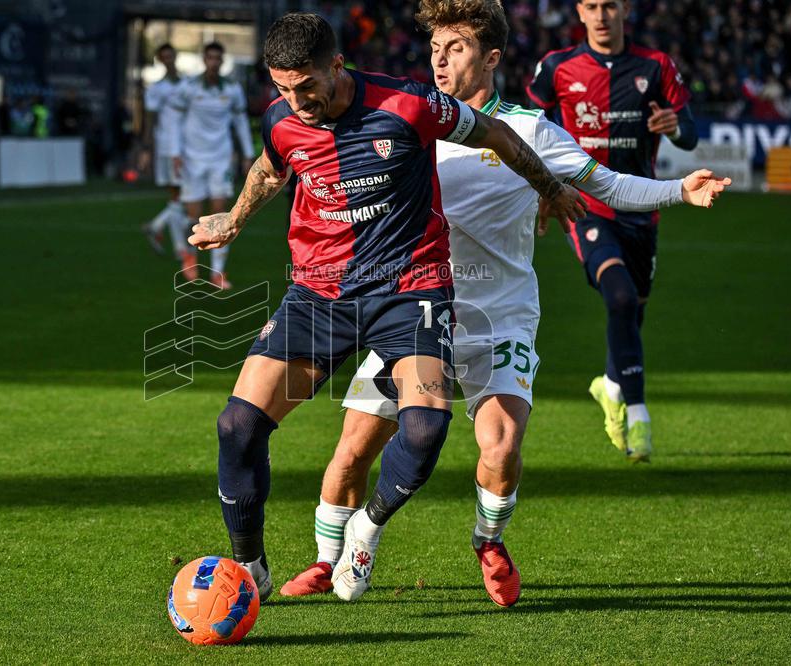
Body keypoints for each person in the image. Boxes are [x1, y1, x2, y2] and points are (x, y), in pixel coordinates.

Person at [277, 0, 729, 606]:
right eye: (434, 48)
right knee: (353, 449)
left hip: (500, 316)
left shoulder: (530, 130)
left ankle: (488, 541)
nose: (439, 60)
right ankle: (325, 559)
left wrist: (680, 188)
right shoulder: (409, 118)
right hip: (414, 315)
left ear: (491, 58)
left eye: (456, 48)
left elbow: (609, 185)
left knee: (502, 445)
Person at [187, 12, 586, 602]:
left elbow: (497, 135)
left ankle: (366, 528)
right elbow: (272, 167)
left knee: (425, 428)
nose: (296, 100)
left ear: (336, 65)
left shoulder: (408, 104)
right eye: (282, 88)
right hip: (320, 293)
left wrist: (551, 188)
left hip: (410, 291)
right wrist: (234, 219)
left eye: (307, 85)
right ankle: (251, 570)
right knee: (237, 425)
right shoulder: (281, 118)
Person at [526, 0, 699, 463]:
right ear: (579, 12)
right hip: (587, 204)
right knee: (619, 298)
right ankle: (638, 414)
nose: (601, 15)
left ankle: (611, 384)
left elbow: (691, 136)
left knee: (632, 314)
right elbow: (526, 131)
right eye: (591, 6)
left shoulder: (655, 66)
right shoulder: (557, 68)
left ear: (624, 9)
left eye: (609, 5)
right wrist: (543, 185)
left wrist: (676, 126)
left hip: (642, 208)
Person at [166, 42, 254, 289]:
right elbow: (175, 119)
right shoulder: (189, 87)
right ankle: (190, 256)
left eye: (217, 58)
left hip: (220, 159)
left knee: (220, 214)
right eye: (210, 58)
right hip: (193, 159)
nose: (213, 62)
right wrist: (175, 152)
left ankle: (217, 272)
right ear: (204, 60)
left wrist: (247, 154)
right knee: (192, 213)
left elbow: (240, 121)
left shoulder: (233, 89)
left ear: (222, 60)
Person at [140, 44, 191, 273]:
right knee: (178, 195)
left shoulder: (188, 84)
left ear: (175, 57)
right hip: (168, 147)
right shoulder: (156, 89)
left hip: (190, 146)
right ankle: (180, 248)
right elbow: (149, 119)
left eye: (171, 56)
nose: (169, 60)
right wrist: (145, 147)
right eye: (164, 57)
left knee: (184, 195)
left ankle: (156, 226)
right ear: (160, 60)